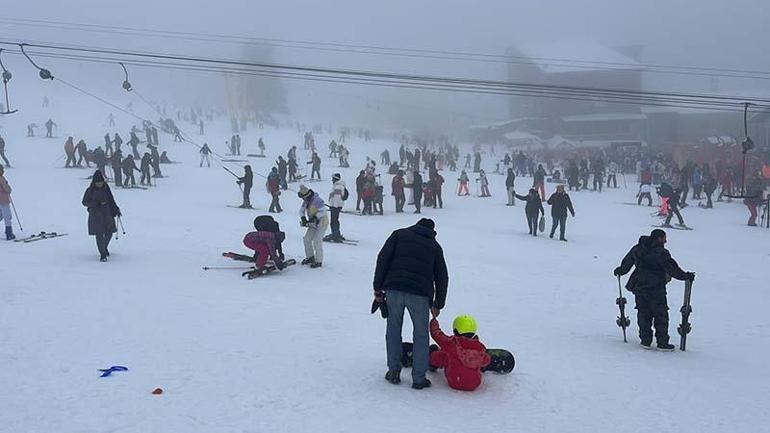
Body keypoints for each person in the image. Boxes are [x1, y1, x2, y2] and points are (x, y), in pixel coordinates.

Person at [372, 218, 449, 389]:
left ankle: (393, 371)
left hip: (394, 289)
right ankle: (418, 378)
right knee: (421, 335)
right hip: (420, 295)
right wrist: (438, 304)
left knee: (393, 329)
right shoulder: (434, 246)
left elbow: (382, 259)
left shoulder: (398, 235)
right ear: (432, 232)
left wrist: (378, 289)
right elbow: (442, 276)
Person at [614, 229, 695, 350]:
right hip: (656, 287)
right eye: (664, 238)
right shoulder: (661, 253)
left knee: (643, 312)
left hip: (639, 285)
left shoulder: (638, 248)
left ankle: (645, 340)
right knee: (660, 314)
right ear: (659, 238)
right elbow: (671, 268)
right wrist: (685, 276)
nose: (666, 241)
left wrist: (620, 270)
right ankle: (662, 342)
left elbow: (628, 262)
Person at [429, 314, 490, 391]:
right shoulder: (480, 347)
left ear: (455, 331)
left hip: (454, 382)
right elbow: (486, 360)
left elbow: (437, 335)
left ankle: (430, 360)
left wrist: (434, 322)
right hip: (474, 384)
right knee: (481, 359)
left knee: (443, 355)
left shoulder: (452, 344)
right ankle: (474, 370)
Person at [81, 170, 121, 262]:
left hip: (107, 214)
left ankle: (104, 247)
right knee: (99, 235)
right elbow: (84, 202)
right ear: (94, 182)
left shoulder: (106, 189)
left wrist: (116, 209)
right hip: (95, 216)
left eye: (101, 182)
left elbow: (111, 200)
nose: (99, 184)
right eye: (97, 183)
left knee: (109, 232)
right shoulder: (90, 190)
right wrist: (96, 203)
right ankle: (103, 254)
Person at [298, 184, 328, 268]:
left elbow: (323, 212)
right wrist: (303, 219)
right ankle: (310, 257)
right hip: (313, 224)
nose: (303, 199)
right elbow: (301, 211)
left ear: (307, 195)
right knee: (307, 239)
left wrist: (314, 218)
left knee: (317, 240)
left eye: (303, 197)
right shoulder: (306, 201)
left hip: (322, 223)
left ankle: (319, 261)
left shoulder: (317, 200)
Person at [326, 173, 346, 241]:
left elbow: (337, 197)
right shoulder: (338, 185)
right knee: (335, 220)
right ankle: (336, 233)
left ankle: (335, 234)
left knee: (333, 221)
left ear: (335, 179)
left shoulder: (338, 186)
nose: (332, 180)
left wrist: (334, 206)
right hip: (336, 205)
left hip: (336, 206)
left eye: (333, 178)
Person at [0, 165, 15, 240]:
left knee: (1, 215)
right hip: (3, 200)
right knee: (7, 216)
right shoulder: (1, 178)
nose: (3, 171)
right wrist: (9, 189)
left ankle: (9, 232)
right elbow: (7, 189)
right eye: (2, 170)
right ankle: (9, 233)